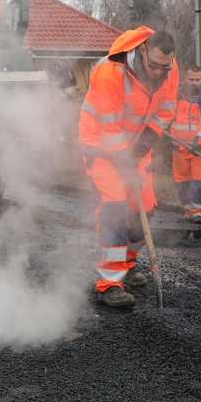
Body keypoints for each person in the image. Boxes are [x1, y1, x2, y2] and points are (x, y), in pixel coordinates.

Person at [79, 28, 179, 308]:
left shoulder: (170, 69)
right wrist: (125, 161)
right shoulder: (110, 71)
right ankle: (110, 283)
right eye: (155, 66)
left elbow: (165, 112)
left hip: (134, 147)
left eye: (165, 66)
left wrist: (138, 151)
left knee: (144, 207)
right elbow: (108, 126)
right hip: (100, 145)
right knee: (114, 208)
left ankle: (128, 264)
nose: (160, 72)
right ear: (143, 50)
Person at [170, 64, 201, 222]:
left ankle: (199, 211)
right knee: (182, 180)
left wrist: (199, 140)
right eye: (191, 79)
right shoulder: (175, 95)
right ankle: (188, 210)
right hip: (179, 146)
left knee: (200, 179)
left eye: (198, 80)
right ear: (184, 78)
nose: (195, 83)